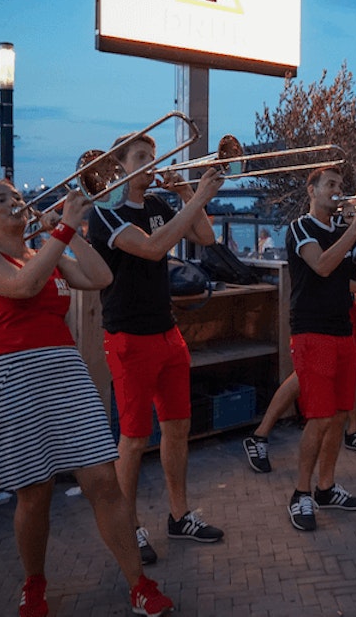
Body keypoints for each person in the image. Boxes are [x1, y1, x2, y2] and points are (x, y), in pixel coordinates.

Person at [0, 181, 172, 617]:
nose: (14, 202)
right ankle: (34, 583)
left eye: (15, 196)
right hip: (12, 377)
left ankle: (139, 585)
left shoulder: (48, 252)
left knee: (103, 480)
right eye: (1, 200)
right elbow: (23, 286)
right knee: (35, 492)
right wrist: (61, 233)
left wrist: (69, 232)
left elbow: (100, 278)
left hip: (64, 372)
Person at [88, 132, 226, 566]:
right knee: (133, 439)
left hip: (167, 331)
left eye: (153, 155)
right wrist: (197, 196)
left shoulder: (159, 204)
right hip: (129, 336)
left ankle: (179, 515)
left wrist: (186, 194)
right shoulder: (105, 212)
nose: (152, 162)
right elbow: (151, 248)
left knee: (178, 426)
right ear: (119, 166)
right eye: (142, 157)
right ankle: (127, 526)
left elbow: (205, 236)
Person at [282, 166, 356, 531]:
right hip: (312, 331)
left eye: (340, 184)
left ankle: (326, 487)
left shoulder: (343, 229)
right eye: (330, 184)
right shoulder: (300, 228)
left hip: (342, 331)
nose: (337, 190)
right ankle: (300, 493)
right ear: (312, 190)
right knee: (320, 418)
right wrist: (352, 232)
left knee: (339, 416)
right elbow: (322, 266)